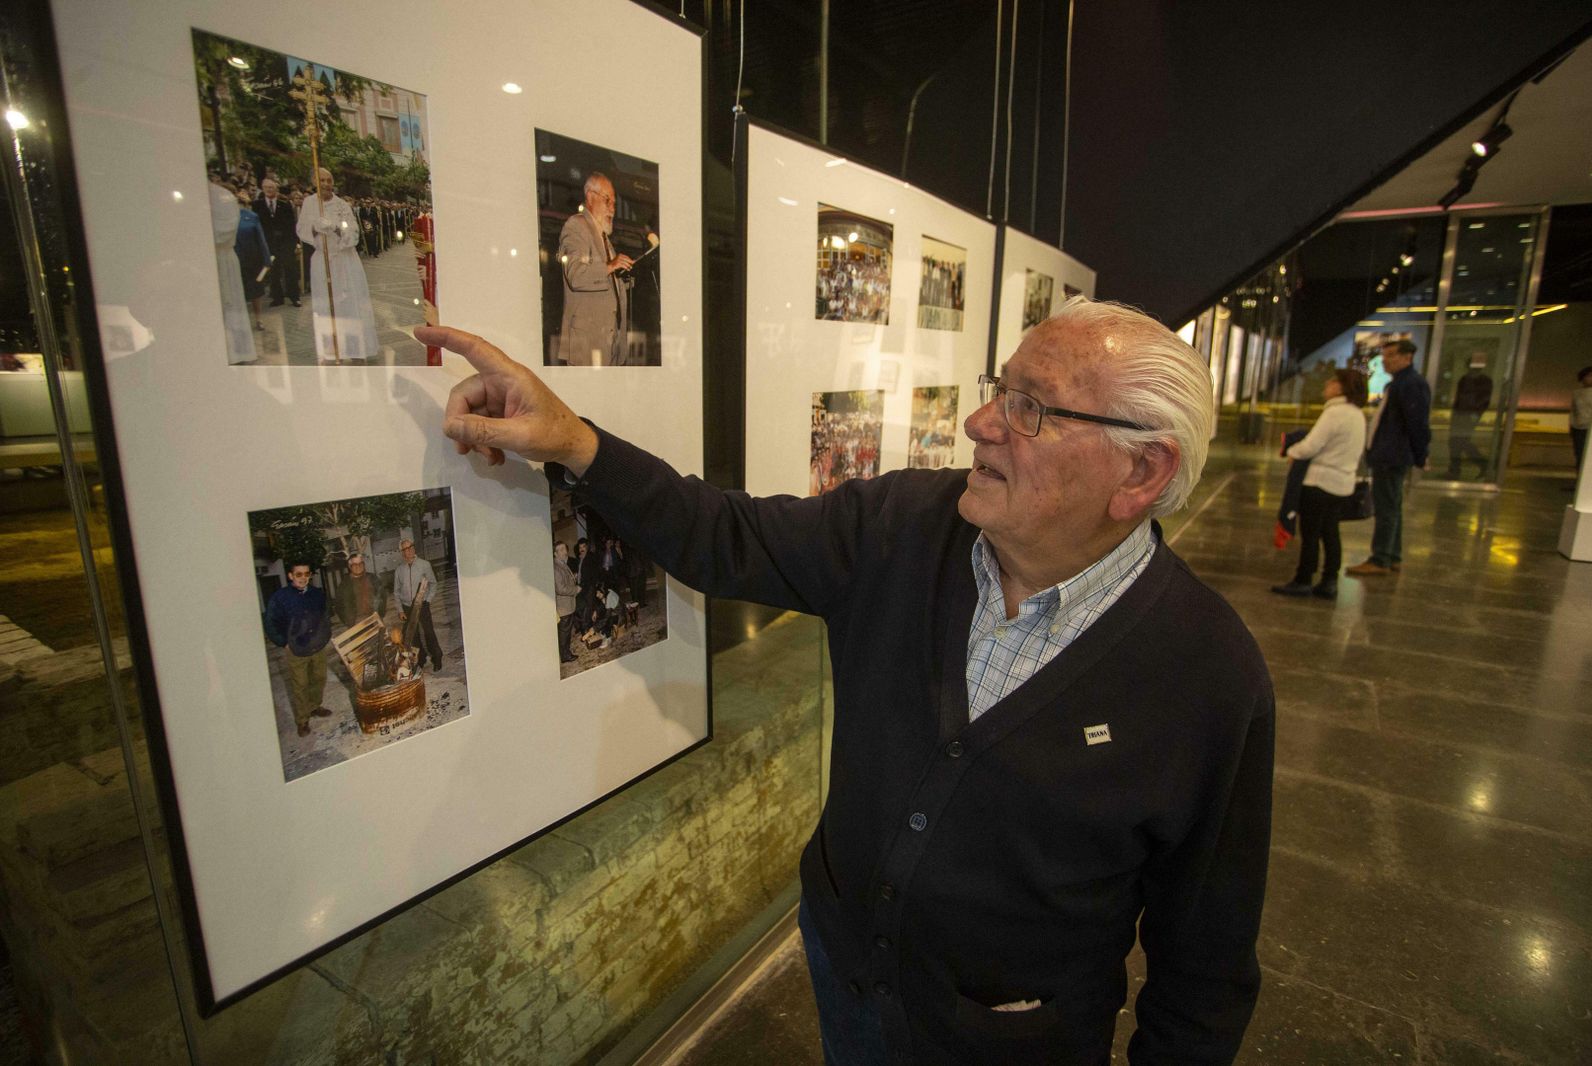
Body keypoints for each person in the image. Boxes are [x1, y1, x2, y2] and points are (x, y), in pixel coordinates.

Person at [424, 293, 1274, 1065]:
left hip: (1009, 1040)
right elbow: (724, 536)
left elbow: (1204, 965)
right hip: (846, 971)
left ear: (1142, 472)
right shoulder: (904, 526)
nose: (981, 421)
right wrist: (576, 442)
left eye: (1029, 407)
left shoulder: (1207, 675)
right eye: (998, 387)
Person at [1271, 369, 1367, 599]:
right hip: (1342, 484)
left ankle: (1303, 579)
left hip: (1319, 483)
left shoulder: (1334, 413)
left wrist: (1292, 451)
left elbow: (1311, 445)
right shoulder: (1357, 414)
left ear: (1342, 387)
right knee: (1331, 532)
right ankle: (1329, 580)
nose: (1327, 383)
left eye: (1333, 381)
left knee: (1311, 534)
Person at [1348, 338, 1431, 577]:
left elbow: (1418, 423)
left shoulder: (1411, 384)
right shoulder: (1399, 384)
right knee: (1392, 506)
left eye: (1391, 356)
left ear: (1407, 357)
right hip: (1388, 454)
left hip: (1391, 456)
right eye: (1384, 356)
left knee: (1386, 508)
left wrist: (1421, 454)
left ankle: (1381, 558)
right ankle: (1392, 555)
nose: (1385, 361)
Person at [295, 167, 381, 363]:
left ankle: (356, 349)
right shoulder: (309, 203)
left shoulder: (342, 205)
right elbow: (301, 229)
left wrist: (335, 228)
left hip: (344, 261)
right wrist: (315, 229)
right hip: (322, 261)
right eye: (322, 180)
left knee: (350, 305)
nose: (326, 184)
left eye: (329, 180)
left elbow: (353, 232)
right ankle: (332, 349)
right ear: (315, 182)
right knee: (326, 305)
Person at [556, 172, 632, 366]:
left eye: (614, 203)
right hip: (587, 348)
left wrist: (623, 278)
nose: (612, 210)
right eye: (608, 201)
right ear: (590, 197)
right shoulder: (577, 226)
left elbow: (605, 281)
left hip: (610, 346)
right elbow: (575, 275)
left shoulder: (605, 240)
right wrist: (611, 265)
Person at [263, 560, 333, 738]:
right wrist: (283, 642)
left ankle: (315, 706)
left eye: (306, 574)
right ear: (291, 576)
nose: (303, 578)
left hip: (317, 646)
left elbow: (326, 614)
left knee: (319, 678)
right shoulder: (280, 598)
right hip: (296, 649)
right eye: (299, 574)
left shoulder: (317, 594)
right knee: (300, 684)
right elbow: (270, 623)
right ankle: (302, 720)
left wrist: (324, 636)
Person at [208, 174, 254, 363]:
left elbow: (223, 232)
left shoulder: (223, 198)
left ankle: (237, 351)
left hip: (222, 257)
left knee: (229, 305)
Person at [393, 538, 444, 671]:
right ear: (402, 553)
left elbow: (433, 583)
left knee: (428, 632)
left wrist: (427, 600)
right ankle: (420, 659)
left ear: (414, 548)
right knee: (413, 635)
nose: (408, 550)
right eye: (405, 549)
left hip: (422, 604)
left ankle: (437, 658)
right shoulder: (399, 570)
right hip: (407, 607)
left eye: (410, 547)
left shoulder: (424, 565)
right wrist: (400, 610)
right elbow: (396, 592)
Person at [253, 177, 301, 308]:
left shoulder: (284, 205)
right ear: (263, 189)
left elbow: (292, 225)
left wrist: (294, 243)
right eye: (266, 187)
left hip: (285, 243)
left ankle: (294, 297)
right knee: (274, 271)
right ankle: (277, 298)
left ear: (276, 189)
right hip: (268, 244)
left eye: (271, 187)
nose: (269, 190)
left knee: (290, 269)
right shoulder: (257, 205)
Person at [1446, 354, 1494, 481]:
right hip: (1460, 415)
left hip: (1469, 416)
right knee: (1454, 442)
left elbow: (1484, 401)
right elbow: (1459, 398)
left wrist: (1475, 415)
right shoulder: (1465, 379)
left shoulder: (1484, 381)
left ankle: (1482, 464)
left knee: (1461, 442)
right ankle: (1455, 470)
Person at [233, 188, 270, 334]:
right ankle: (241, 322)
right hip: (236, 258)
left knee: (255, 291)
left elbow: (261, 239)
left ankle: (258, 319)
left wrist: (266, 258)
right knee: (239, 291)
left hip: (252, 258)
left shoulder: (252, 216)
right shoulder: (228, 218)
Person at [332, 552, 389, 627]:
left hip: (375, 619)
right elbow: (338, 605)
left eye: (360, 563)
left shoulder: (373, 578)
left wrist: (380, 614)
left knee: (380, 638)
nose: (358, 566)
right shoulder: (344, 584)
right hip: (355, 623)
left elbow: (382, 596)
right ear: (350, 566)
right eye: (355, 564)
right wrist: (348, 621)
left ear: (364, 564)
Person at [553, 542, 579, 664]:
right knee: (564, 633)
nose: (565, 551)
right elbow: (560, 589)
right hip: (564, 607)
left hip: (568, 605)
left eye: (565, 548)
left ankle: (566, 652)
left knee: (566, 632)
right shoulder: (556, 568)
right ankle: (565, 656)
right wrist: (575, 589)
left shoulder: (562, 563)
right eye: (561, 549)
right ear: (555, 553)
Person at [1572, 365, 1592, 470]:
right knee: (1580, 455)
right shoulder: (1577, 393)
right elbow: (1574, 411)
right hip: (1579, 428)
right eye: (1591, 376)